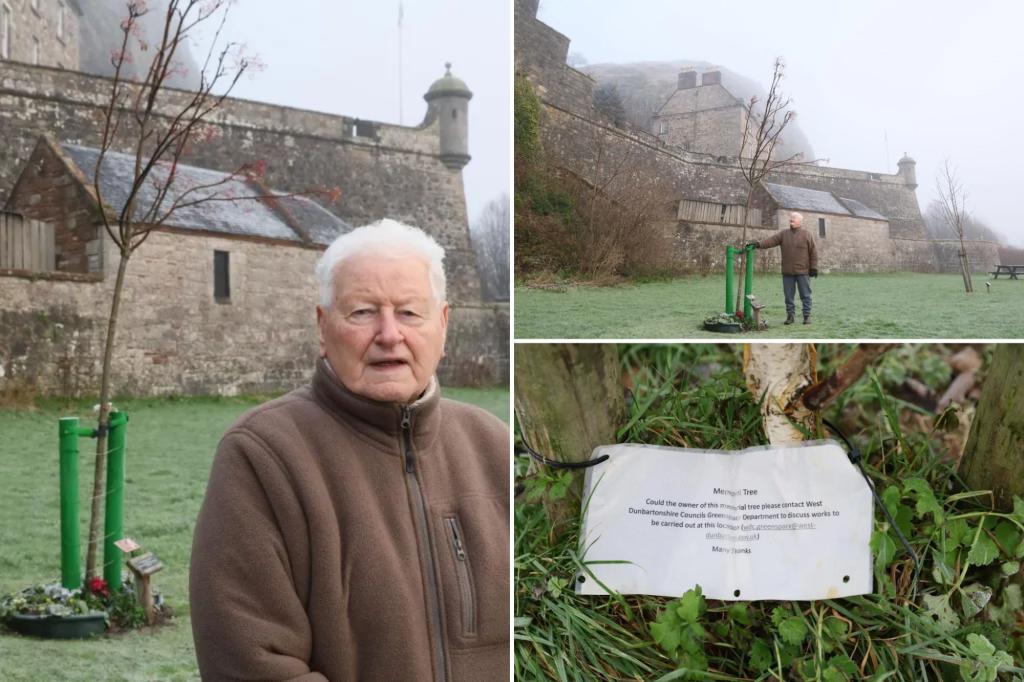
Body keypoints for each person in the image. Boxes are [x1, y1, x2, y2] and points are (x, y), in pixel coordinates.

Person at [189, 219, 509, 681]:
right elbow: (252, 664)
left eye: (409, 313)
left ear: (442, 325)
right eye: (362, 312)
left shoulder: (492, 445)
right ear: (323, 327)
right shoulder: (263, 456)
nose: (389, 334)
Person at [746, 211, 818, 324]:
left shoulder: (807, 234)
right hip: (787, 271)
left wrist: (813, 268)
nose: (791, 219)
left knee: (805, 295)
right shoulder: (784, 234)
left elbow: (813, 252)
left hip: (803, 271)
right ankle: (790, 316)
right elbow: (771, 241)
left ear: (800, 221)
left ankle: (807, 316)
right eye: (790, 218)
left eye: (794, 218)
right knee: (788, 297)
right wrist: (758, 244)